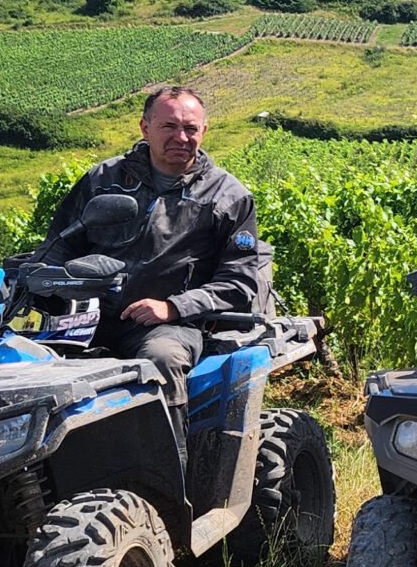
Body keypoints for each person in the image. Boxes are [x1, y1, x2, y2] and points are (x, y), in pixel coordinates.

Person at [44, 84, 261, 400]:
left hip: (169, 326)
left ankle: (166, 450)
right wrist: (44, 286)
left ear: (204, 130)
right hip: (84, 318)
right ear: (145, 128)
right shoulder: (104, 179)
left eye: (190, 129)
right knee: (19, 358)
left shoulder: (227, 197)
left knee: (159, 362)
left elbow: (239, 281)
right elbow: (58, 246)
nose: (181, 138)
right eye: (169, 127)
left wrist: (173, 307)